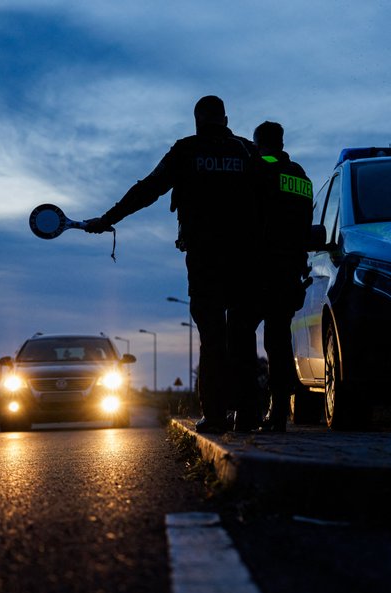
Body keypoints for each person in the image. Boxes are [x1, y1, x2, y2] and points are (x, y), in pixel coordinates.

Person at [84, 96, 263, 434]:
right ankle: (249, 414)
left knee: (212, 336)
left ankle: (215, 414)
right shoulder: (247, 152)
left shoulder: (185, 151)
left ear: (197, 121)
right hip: (245, 258)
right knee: (242, 335)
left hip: (205, 257)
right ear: (225, 118)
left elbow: (147, 190)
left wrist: (109, 218)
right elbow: (269, 201)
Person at [249, 121, 313, 432]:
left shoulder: (257, 170)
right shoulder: (300, 176)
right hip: (289, 269)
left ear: (259, 142)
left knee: (243, 334)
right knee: (278, 340)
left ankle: (246, 409)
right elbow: (304, 223)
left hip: (259, 267)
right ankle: (278, 411)